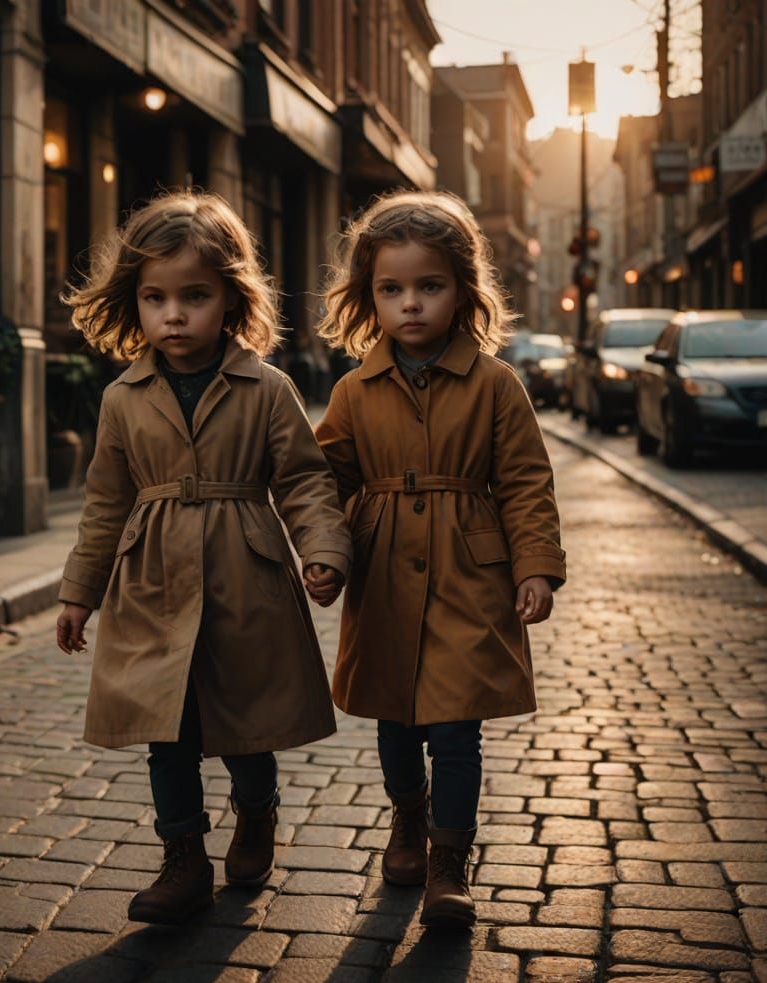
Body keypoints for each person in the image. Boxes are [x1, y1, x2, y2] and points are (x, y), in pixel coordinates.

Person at [55, 189, 352, 927]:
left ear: (230, 299)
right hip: (152, 582)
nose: (174, 315)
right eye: (155, 298)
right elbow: (104, 503)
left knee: (245, 726)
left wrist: (323, 550)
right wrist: (77, 593)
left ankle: (257, 813)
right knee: (168, 730)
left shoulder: (268, 388)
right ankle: (182, 859)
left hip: (243, 580)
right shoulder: (123, 398)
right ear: (135, 304)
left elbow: (306, 480)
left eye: (194, 295)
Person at [315, 190, 566, 929]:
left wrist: (534, 567)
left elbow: (524, 480)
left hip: (469, 574)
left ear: (461, 289)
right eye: (391, 290)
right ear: (369, 298)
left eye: (430, 286)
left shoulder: (495, 385)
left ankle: (450, 860)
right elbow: (327, 481)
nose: (411, 304)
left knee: (457, 727)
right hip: (384, 571)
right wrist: (325, 554)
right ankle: (407, 817)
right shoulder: (353, 390)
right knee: (395, 721)